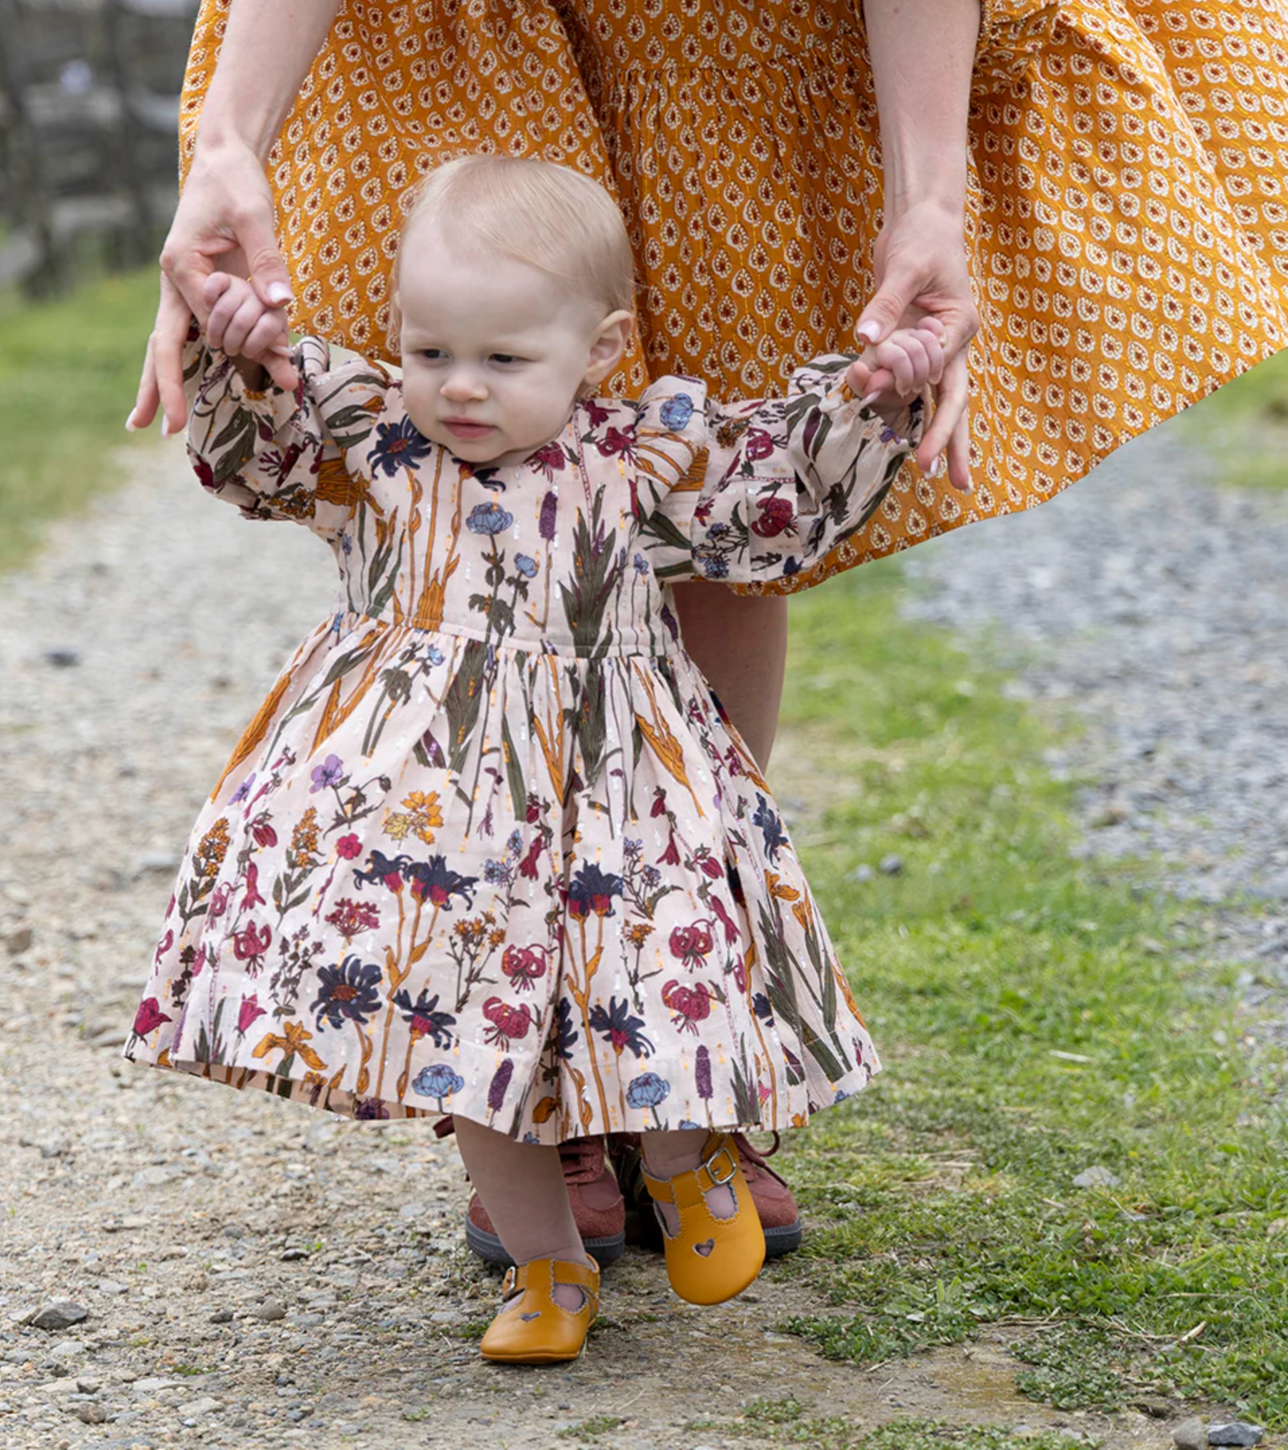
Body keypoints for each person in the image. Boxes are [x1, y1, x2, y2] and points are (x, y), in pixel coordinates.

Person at [126, 0, 1288, 1262]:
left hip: (722, 33)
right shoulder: (385, 421)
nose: (446, 385)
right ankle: (523, 1070)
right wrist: (233, 146)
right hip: (454, 23)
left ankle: (671, 1053)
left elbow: (760, 494)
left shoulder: (657, 443)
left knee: (694, 501)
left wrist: (921, 230)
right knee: (474, 316)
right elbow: (283, 447)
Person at [122, 154, 940, 1363]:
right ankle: (548, 1267)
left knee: (656, 974)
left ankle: (684, 1157)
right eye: (429, 350)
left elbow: (772, 502)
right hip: (439, 823)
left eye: (503, 362)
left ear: (600, 349)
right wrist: (236, 346)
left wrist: (875, 393)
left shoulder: (636, 460)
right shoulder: (376, 444)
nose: (458, 389)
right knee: (465, 1031)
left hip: (617, 805)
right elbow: (257, 454)